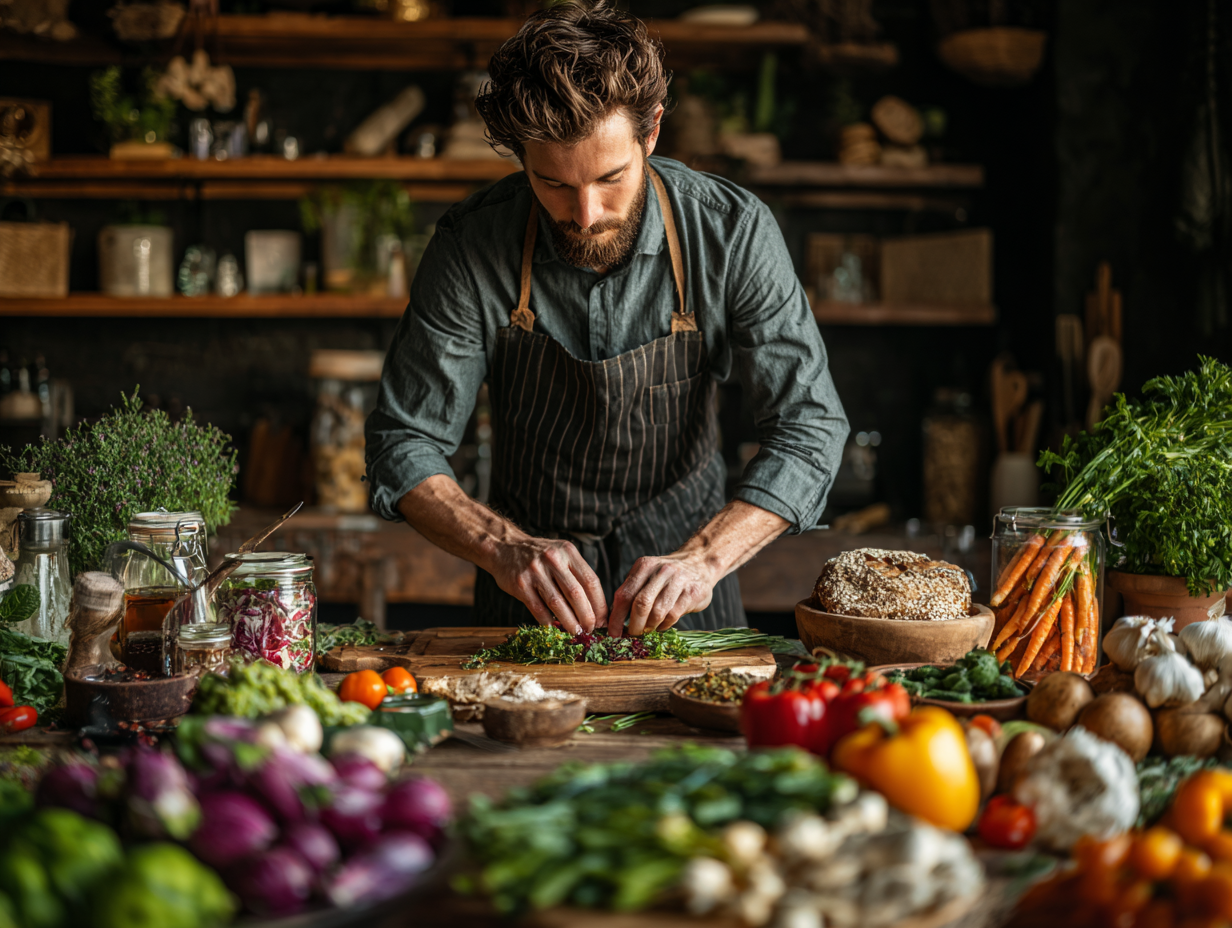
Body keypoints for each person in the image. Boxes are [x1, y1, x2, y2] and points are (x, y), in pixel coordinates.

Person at [365, 1, 847, 637]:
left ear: (650, 133)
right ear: (521, 158)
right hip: (529, 597)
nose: (585, 213)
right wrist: (503, 548)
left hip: (687, 590)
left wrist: (705, 560)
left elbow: (809, 428)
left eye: (610, 178)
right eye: (554, 184)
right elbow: (403, 441)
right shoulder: (472, 245)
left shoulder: (731, 233)